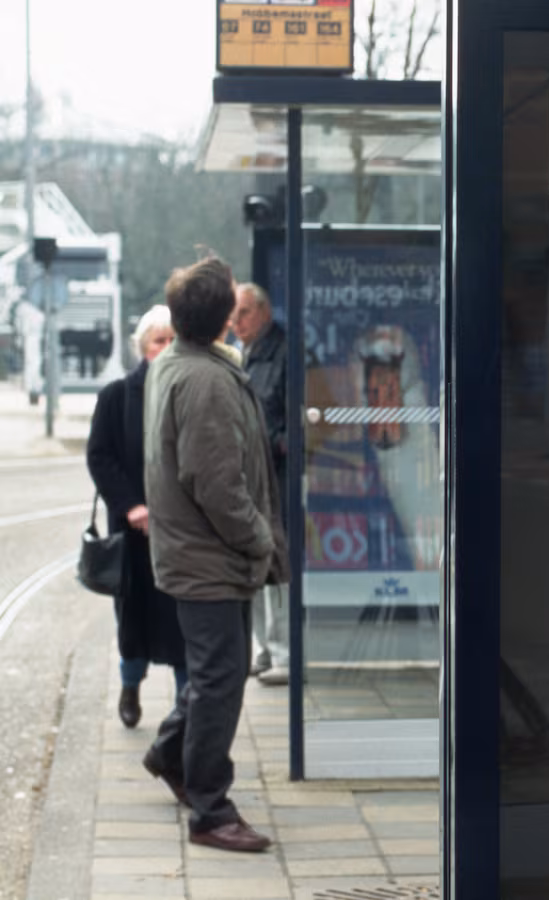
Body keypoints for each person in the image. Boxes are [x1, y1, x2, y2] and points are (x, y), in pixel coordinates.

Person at [140, 256, 288, 853]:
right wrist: (259, 539)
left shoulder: (181, 362)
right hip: (212, 560)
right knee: (221, 683)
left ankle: (168, 753)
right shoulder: (201, 377)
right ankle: (210, 809)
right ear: (224, 314)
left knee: (211, 677)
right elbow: (217, 483)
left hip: (195, 555)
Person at [86, 305, 187, 728]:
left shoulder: (187, 390)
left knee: (183, 620)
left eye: (171, 341)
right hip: (132, 531)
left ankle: (187, 703)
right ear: (142, 347)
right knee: (133, 617)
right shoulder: (115, 397)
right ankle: (131, 685)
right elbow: (100, 456)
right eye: (157, 341)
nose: (164, 349)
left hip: (179, 531)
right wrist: (131, 506)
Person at [231, 282, 290, 686]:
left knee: (277, 564)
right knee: (252, 561)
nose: (236, 323)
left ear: (265, 312)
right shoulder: (240, 355)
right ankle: (264, 650)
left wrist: (275, 447)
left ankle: (284, 652)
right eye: (232, 316)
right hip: (248, 477)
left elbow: (300, 419)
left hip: (277, 476)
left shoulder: (285, 353)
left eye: (244, 313)